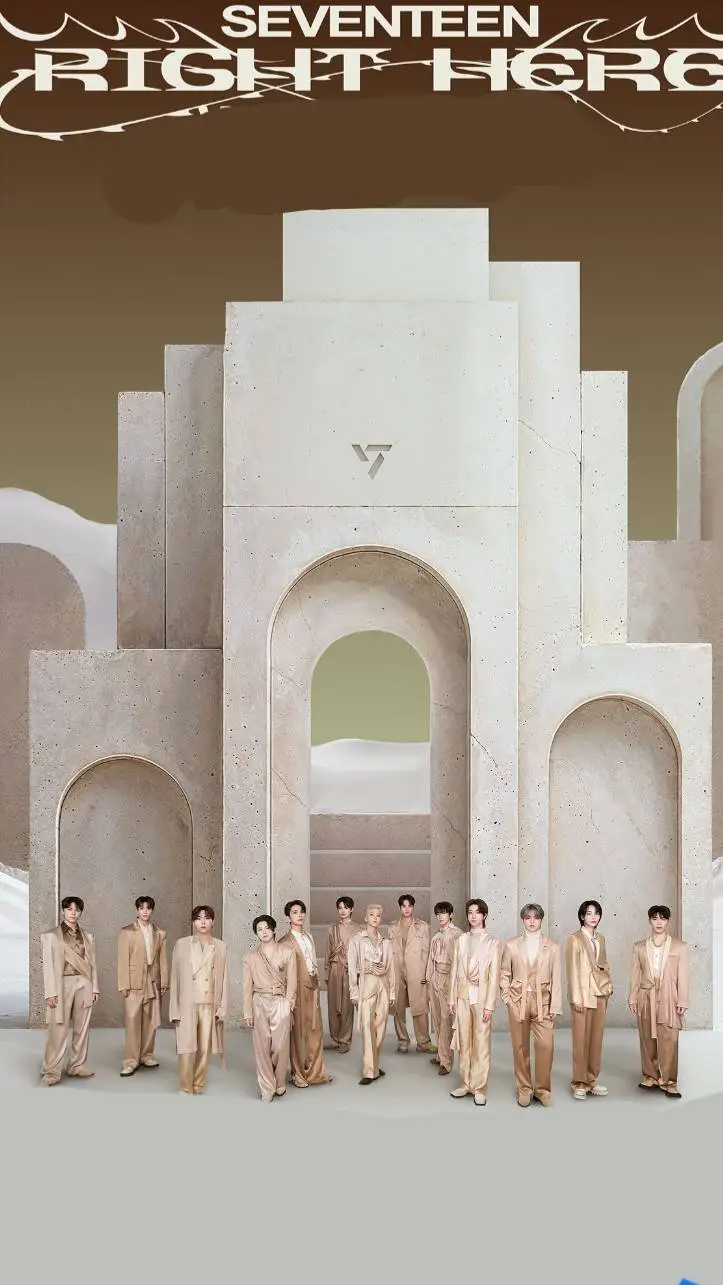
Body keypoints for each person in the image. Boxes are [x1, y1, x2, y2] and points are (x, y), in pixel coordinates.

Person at [500, 903, 562, 1107]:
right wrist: (507, 999)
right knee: (520, 1047)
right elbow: (504, 974)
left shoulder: (553, 947)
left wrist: (555, 1006)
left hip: (543, 1002)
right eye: (528, 917)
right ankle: (524, 1089)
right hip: (518, 1001)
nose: (532, 921)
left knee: (546, 1046)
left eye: (536, 917)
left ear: (541, 919)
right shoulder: (511, 945)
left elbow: (556, 978)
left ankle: (543, 1090)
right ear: (523, 920)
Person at [629, 904, 688, 1099]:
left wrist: (682, 1000)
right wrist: (633, 998)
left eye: (662, 918)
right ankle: (650, 1076)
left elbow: (683, 976)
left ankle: (670, 1081)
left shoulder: (679, 947)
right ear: (649, 921)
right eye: (655, 918)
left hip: (669, 997)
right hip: (646, 996)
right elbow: (635, 975)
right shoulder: (639, 947)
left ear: (668, 921)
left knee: (669, 1038)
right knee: (647, 1037)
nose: (659, 922)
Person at [168, 905, 229, 1095]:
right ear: (193, 922)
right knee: (186, 1047)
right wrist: (174, 1009)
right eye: (199, 918)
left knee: (204, 1047)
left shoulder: (221, 946)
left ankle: (199, 1084)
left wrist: (223, 1007)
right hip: (187, 1002)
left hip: (209, 1002)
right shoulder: (181, 944)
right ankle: (185, 1087)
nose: (203, 922)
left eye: (207, 918)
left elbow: (224, 979)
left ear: (213, 922)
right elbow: (175, 978)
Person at [40, 895, 99, 1086]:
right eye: (69, 909)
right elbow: (48, 966)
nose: (73, 913)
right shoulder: (51, 936)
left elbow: (92, 964)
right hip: (61, 984)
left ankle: (76, 1065)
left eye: (77, 910)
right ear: (63, 911)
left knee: (82, 1028)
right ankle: (51, 1070)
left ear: (81, 912)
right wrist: (50, 992)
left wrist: (95, 987)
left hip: (85, 983)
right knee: (58, 1028)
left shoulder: (88, 936)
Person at [448, 898, 501, 1106]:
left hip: (482, 998)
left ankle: (479, 1087)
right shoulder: (460, 940)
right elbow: (454, 971)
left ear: (484, 915)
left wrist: (490, 1005)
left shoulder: (492, 942)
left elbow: (494, 976)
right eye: (470, 912)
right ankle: (466, 1083)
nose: (473, 916)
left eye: (477, 912)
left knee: (481, 1043)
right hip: (462, 996)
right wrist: (451, 998)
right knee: (464, 1041)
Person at [278, 900, 333, 1088]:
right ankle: (298, 1074)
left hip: (313, 987)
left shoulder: (308, 937)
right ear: (288, 917)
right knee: (298, 1033)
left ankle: (316, 1073)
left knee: (315, 1030)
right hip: (296, 990)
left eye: (302, 911)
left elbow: (313, 962)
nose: (299, 915)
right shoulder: (284, 942)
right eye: (295, 912)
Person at [242, 914, 297, 1102]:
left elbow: (292, 981)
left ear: (273, 930)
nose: (264, 932)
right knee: (262, 1046)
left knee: (280, 1046)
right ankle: (267, 1086)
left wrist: (288, 1003)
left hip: (280, 1001)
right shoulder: (250, 956)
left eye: (267, 928)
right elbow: (247, 987)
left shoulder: (287, 952)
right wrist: (247, 1012)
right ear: (256, 933)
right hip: (259, 1002)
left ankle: (279, 1081)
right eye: (260, 929)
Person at [565, 899, 613, 1100]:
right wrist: (576, 998)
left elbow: (604, 964)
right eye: (589, 913)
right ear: (582, 916)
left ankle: (592, 1080)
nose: (593, 917)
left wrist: (608, 987)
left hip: (600, 994)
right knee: (581, 1040)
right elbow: (572, 970)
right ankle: (579, 1082)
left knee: (596, 1038)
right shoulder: (574, 939)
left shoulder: (601, 938)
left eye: (596, 913)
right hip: (582, 996)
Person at [117, 895, 169, 1077]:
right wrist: (124, 984)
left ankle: (146, 1055)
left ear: (152, 910)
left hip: (153, 980)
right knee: (132, 1020)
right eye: (142, 908)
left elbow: (162, 959)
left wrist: (164, 981)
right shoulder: (127, 932)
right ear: (137, 910)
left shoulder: (160, 933)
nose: (145, 911)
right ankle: (130, 1061)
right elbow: (123, 960)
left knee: (150, 1020)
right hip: (134, 982)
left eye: (148, 908)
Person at [347, 903, 396, 1085]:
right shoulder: (356, 940)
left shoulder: (386, 942)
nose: (375, 918)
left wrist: (392, 992)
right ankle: (369, 1071)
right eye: (372, 915)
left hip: (383, 985)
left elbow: (391, 968)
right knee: (367, 1027)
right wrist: (353, 991)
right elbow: (352, 967)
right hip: (366, 985)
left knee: (380, 1028)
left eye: (378, 915)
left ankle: (374, 1063)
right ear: (365, 917)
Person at [388, 893, 436, 1054]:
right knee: (398, 1008)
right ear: (400, 907)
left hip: (416, 970)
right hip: (397, 970)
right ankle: (402, 1040)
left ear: (413, 907)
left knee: (420, 1007)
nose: (407, 909)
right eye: (404, 906)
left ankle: (424, 1042)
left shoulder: (422, 926)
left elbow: (427, 952)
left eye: (409, 906)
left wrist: (426, 974)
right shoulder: (392, 927)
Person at [425, 901, 462, 1076]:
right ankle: (441, 1055)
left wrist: (455, 985)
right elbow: (430, 960)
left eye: (444, 913)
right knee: (437, 1019)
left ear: (451, 915)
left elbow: (459, 962)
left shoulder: (457, 935)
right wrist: (429, 979)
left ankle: (446, 1062)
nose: (440, 916)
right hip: (435, 979)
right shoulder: (436, 936)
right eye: (438, 913)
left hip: (449, 978)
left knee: (447, 1020)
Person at [325, 895, 363, 1054]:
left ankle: (345, 1040)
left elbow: (361, 954)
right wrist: (327, 972)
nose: (343, 911)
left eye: (346, 908)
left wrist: (359, 975)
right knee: (333, 1005)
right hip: (334, 969)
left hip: (350, 970)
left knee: (347, 1006)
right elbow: (328, 952)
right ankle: (334, 1039)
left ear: (352, 909)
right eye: (340, 908)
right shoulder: (331, 929)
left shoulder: (359, 930)